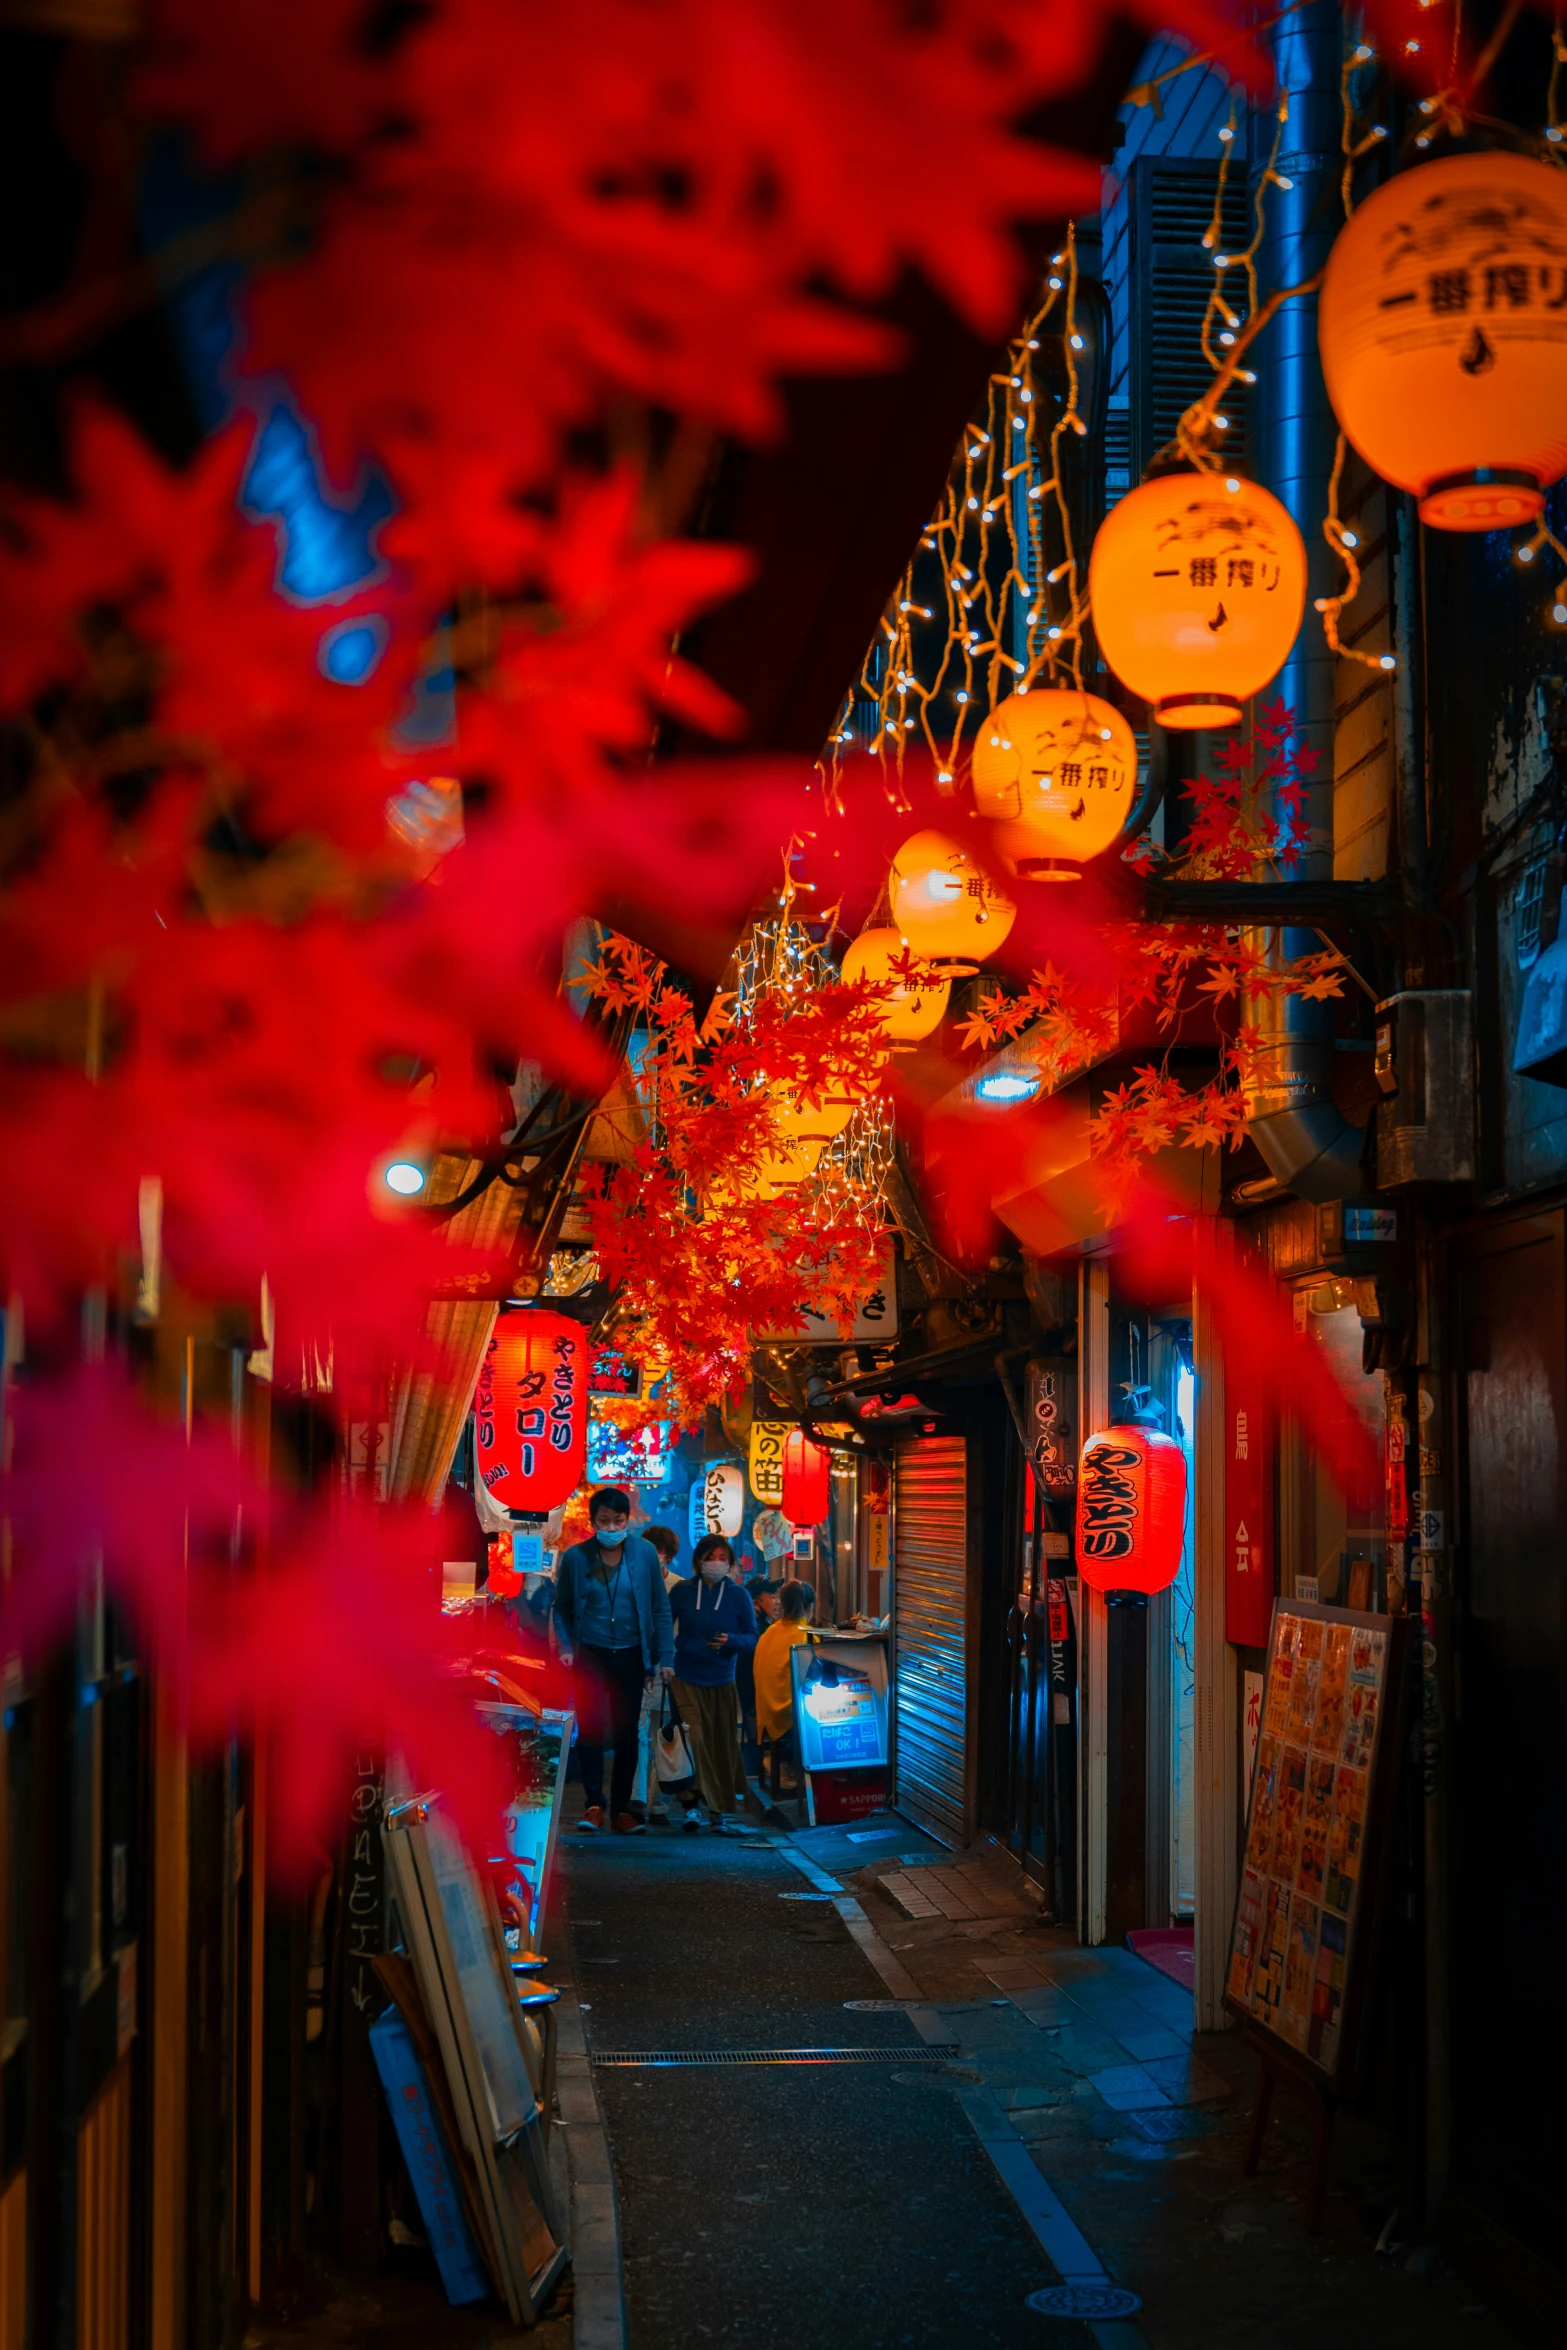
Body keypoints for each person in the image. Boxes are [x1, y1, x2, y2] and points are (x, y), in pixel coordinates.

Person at [554, 1487, 674, 1834]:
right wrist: (564, 1646)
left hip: (632, 1653)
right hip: (589, 1652)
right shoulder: (577, 1558)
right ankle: (593, 1805)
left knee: (625, 1734)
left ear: (627, 1521)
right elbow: (561, 1608)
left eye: (618, 1521)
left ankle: (622, 1809)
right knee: (590, 1729)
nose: (611, 1527)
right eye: (604, 1521)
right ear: (593, 1522)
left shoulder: (645, 1554)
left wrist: (664, 1656)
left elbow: (659, 1609)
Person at [669, 1534, 758, 1832]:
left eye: (722, 1557)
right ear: (699, 1561)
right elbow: (663, 1625)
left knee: (720, 1745)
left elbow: (751, 1637)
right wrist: (662, 1661)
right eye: (711, 1557)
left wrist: (731, 1640)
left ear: (730, 1562)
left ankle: (718, 1811)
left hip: (722, 1680)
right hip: (686, 1677)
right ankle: (691, 1806)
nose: (716, 1563)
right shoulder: (682, 1591)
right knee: (693, 1740)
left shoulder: (739, 1595)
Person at [631, 1524, 685, 1823]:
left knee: (664, 1740)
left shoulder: (680, 1587)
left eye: (661, 1552)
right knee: (639, 1738)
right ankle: (638, 1799)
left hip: (669, 1674)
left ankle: (658, 1802)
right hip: (640, 1672)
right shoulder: (632, 1584)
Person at [754, 1580, 815, 1794]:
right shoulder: (806, 1636)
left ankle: (776, 1762)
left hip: (764, 1712)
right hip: (788, 1715)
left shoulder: (768, 1633)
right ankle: (794, 1768)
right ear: (809, 1608)